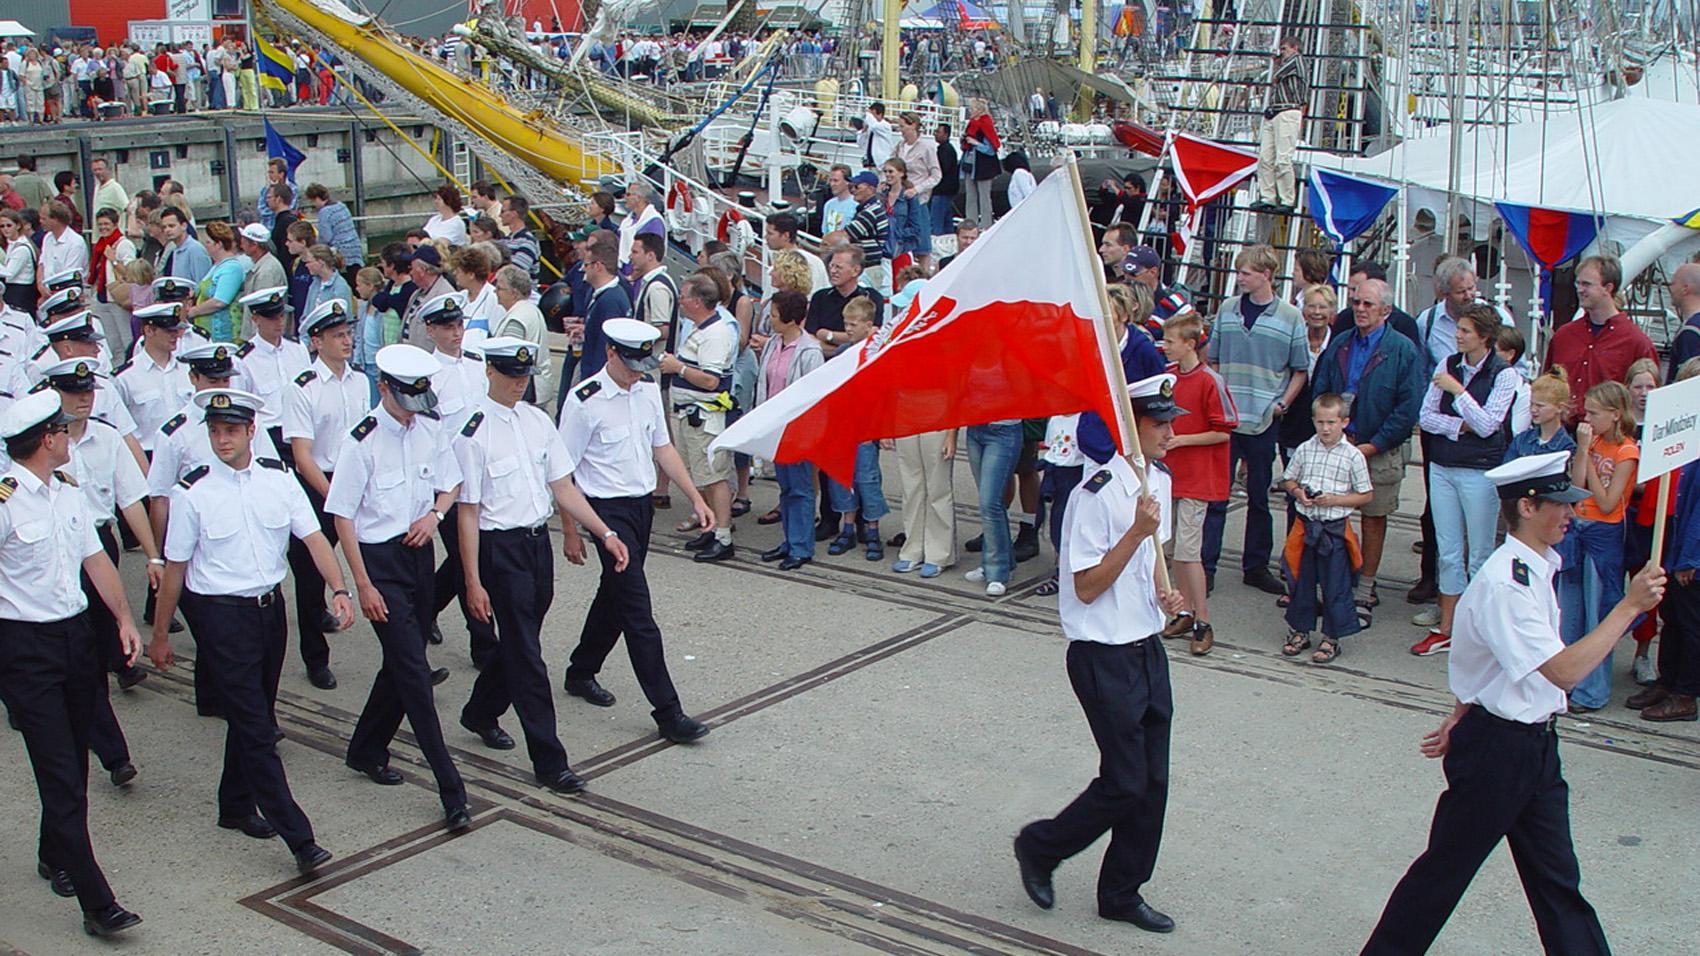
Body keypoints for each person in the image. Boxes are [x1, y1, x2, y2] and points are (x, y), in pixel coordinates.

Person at [1359, 451, 1665, 956]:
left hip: (1532, 745)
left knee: (1557, 883)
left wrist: (1462, 711)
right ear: (1527, 506)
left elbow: (1485, 658)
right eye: (1561, 504)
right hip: (1499, 752)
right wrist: (1629, 607)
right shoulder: (1508, 583)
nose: (1571, 513)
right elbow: (1563, 671)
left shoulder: (1535, 565)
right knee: (1442, 875)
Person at [148, 386, 359, 875]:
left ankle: (234, 804)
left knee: (255, 711)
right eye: (215, 431)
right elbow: (176, 570)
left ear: (251, 432)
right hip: (221, 618)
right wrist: (161, 634)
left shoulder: (278, 480)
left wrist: (339, 589)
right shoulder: (192, 492)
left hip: (269, 612)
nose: (222, 440)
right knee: (257, 727)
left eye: (231, 431)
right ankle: (299, 838)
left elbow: (312, 537)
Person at [1013, 373, 1189, 935]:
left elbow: (1147, 564)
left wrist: (1164, 594)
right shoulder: (1092, 495)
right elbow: (1086, 585)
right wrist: (1136, 535)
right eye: (1158, 422)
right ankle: (1041, 846)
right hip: (1102, 653)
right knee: (1125, 781)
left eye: (1170, 421)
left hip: (1145, 645)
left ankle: (1122, 891)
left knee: (1152, 782)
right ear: (1130, 427)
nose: (1168, 431)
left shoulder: (1157, 481)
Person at [0, 389, 145, 938]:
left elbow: (95, 557)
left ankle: (50, 852)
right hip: (25, 650)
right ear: (46, 441)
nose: (68, 436)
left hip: (77, 640)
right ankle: (96, 903)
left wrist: (125, 619)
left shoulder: (66, 492)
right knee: (60, 773)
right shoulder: (5, 502)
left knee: (75, 763)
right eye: (62, 431)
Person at [453, 336, 629, 787]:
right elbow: (468, 512)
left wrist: (603, 532)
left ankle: (479, 711)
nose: (519, 384)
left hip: (536, 545)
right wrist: (471, 581)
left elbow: (564, 487)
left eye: (525, 375)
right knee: (529, 656)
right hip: (500, 548)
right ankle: (550, 760)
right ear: (490, 372)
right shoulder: (472, 432)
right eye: (511, 376)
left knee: (520, 640)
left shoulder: (536, 422)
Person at [323, 345, 478, 810]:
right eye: (405, 400)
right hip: (379, 562)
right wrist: (361, 584)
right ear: (384, 387)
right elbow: (342, 518)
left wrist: (435, 514)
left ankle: (366, 747)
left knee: (400, 660)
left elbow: (451, 482)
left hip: (418, 555)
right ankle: (451, 787)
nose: (413, 412)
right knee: (413, 672)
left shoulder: (427, 428)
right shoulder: (362, 440)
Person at [556, 318, 714, 744]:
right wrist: (571, 529)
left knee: (615, 595)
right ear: (610, 353)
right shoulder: (584, 400)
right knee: (638, 612)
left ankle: (581, 670)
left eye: (644, 363)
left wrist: (695, 497)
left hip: (640, 507)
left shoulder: (645, 391)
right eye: (631, 363)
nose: (638, 372)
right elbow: (561, 473)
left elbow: (662, 447)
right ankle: (669, 711)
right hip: (605, 514)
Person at [45, 357, 156, 783]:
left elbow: (130, 501)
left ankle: (111, 747)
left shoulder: (107, 439)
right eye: (75, 393)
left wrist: (153, 556)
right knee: (82, 656)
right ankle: (113, 753)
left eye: (89, 391)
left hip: (97, 542)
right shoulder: (36, 443)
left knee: (96, 642)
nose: (84, 399)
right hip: (55, 552)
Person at [1310, 277, 1424, 625]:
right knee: (1329, 516)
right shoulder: (1341, 343)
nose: (1359, 309)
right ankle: (1331, 583)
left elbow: (1408, 407)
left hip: (1379, 448)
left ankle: (1365, 588)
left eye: (1367, 304)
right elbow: (1322, 388)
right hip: (1337, 443)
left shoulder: (1403, 350)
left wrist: (1373, 445)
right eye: (1356, 302)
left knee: (1373, 517)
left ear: (1386, 310)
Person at [1411, 303, 1520, 657]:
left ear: (1484, 337)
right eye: (1458, 329)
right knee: (1448, 550)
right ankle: (1447, 624)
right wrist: (1461, 427)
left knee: (1481, 552)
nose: (1458, 335)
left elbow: (1490, 425)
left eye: (1465, 331)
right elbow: (1426, 417)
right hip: (1443, 465)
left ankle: (1479, 626)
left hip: (1479, 471)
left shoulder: (1503, 374)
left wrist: (1458, 392)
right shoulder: (1447, 364)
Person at [1206, 245, 1308, 596]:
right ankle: (1207, 565)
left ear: (1266, 274)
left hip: (1265, 418)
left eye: (1247, 272)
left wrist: (1283, 402)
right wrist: (1219, 395)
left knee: (1259, 497)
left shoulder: (1290, 316)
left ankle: (1256, 564)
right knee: (1216, 495)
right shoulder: (1227, 309)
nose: (1240, 278)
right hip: (1228, 419)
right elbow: (1213, 358)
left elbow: (1300, 368)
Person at [281, 301, 369, 692]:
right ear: (316, 341)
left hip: (355, 481)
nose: (347, 340)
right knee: (310, 573)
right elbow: (302, 455)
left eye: (348, 333)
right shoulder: (302, 388)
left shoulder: (360, 381)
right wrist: (334, 497)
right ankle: (316, 658)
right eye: (337, 335)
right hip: (319, 485)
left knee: (376, 561)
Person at [1557, 380, 1639, 714]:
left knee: (1597, 615)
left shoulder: (1626, 451)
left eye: (1593, 412)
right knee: (1569, 614)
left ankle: (1592, 691)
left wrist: (1588, 454)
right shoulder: (1593, 443)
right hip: (1578, 526)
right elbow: (1577, 486)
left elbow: (1607, 502)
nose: (1586, 419)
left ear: (1615, 414)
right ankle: (1566, 682)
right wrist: (1584, 450)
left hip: (1604, 534)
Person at [1160, 312, 1237, 656]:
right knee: (1173, 548)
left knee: (1190, 553)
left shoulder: (1210, 381)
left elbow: (1223, 430)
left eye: (1171, 341)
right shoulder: (1168, 377)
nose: (1165, 347)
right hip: (1171, 474)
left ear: (1190, 344)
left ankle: (1203, 619)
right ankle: (1185, 610)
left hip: (1198, 478)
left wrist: (1182, 441)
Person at [1276, 393, 1373, 664]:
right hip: (1306, 525)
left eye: (1331, 422)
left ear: (1344, 422)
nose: (1325, 428)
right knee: (1301, 580)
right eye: (1320, 422)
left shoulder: (1353, 456)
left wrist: (1336, 500)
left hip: (1334, 528)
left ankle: (1332, 636)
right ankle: (1300, 630)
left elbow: (1366, 495)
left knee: (1336, 585)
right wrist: (1298, 493)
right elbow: (1288, 479)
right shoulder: (1306, 448)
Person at [660, 273, 739, 562]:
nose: (679, 301)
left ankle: (723, 535)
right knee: (699, 477)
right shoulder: (697, 328)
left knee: (714, 477)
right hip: (688, 415)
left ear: (696, 301)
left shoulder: (715, 334)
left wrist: (677, 368)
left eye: (683, 296)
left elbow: (711, 381)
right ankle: (710, 528)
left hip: (704, 418)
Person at [754, 291, 824, 569]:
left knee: (801, 488)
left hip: (797, 428)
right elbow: (765, 382)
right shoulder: (773, 344)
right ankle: (790, 540)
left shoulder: (810, 350)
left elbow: (815, 394)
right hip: (775, 426)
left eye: (773, 315)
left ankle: (801, 546)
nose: (770, 320)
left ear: (790, 318)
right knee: (785, 488)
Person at [1544, 255, 1656, 417]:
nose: (1579, 289)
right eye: (1578, 283)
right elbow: (1547, 385)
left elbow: (1650, 399)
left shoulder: (1636, 343)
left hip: (1609, 437)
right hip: (1562, 433)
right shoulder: (1564, 336)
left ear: (1608, 288)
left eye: (1586, 284)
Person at [1251, 35, 1307, 212]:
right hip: (1275, 112)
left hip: (1288, 111)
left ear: (1295, 48)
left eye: (1285, 49)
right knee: (1265, 158)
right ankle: (1267, 196)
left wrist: (1275, 64)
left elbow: (1275, 76)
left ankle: (1287, 200)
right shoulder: (1289, 63)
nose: (1282, 53)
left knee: (1283, 159)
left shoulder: (1297, 61)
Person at [399, 244, 454, 346]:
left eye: (412, 268)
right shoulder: (417, 294)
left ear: (422, 270)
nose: (410, 272)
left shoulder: (444, 295)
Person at [302, 183, 363, 271]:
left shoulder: (325, 213)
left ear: (317, 198)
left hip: (341, 254)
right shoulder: (341, 206)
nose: (313, 205)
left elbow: (326, 238)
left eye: (312, 201)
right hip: (355, 249)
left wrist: (314, 247)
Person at [764, 213, 827, 293]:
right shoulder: (817, 261)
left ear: (786, 235)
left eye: (770, 233)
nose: (765, 237)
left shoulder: (777, 269)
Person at [962, 98, 1000, 229]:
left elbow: (991, 149)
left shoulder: (986, 124)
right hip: (970, 164)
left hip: (983, 166)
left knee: (984, 198)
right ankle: (970, 224)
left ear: (979, 110)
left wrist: (975, 143)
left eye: (972, 109)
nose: (970, 111)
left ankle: (986, 225)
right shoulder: (972, 124)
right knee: (970, 196)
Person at [1666, 262, 1700, 380]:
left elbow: (1685, 381)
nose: (1670, 288)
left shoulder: (1691, 332)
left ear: (1685, 289)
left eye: (1673, 283)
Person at [498, 195, 542, 282]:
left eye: (502, 211)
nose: (500, 215)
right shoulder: (505, 240)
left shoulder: (528, 242)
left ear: (514, 214)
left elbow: (514, 272)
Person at [929, 122, 960, 238]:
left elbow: (943, 169)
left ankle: (937, 241)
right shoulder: (947, 149)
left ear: (946, 134)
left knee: (936, 221)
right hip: (948, 190)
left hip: (942, 190)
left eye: (938, 132)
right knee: (947, 221)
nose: (935, 134)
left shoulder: (945, 150)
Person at [819, 165, 857, 236]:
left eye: (836, 180)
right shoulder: (829, 204)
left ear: (847, 182)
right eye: (830, 180)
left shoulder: (856, 205)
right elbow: (825, 232)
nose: (832, 184)